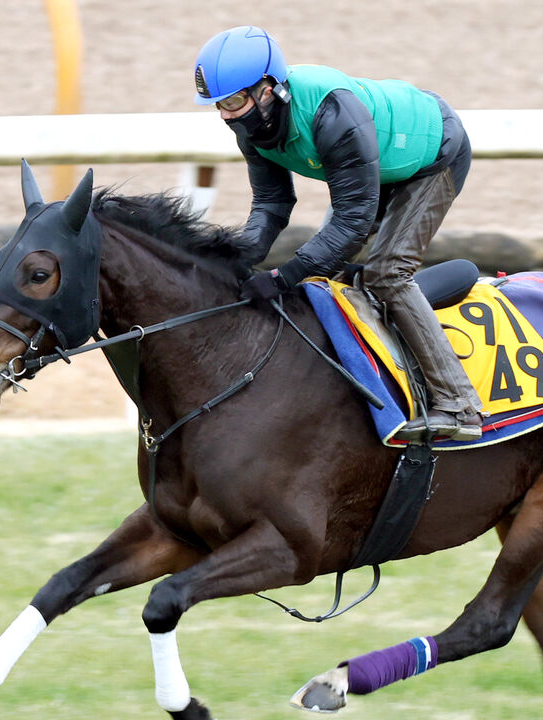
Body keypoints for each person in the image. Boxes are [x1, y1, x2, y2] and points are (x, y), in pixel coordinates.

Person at [193, 25, 483, 441]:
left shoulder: (332, 115)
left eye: (235, 101)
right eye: (219, 105)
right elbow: (272, 205)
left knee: (387, 272)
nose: (227, 115)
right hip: (375, 165)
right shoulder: (250, 127)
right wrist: (238, 258)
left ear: (269, 88)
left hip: (435, 153)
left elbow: (353, 221)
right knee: (329, 277)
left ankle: (460, 405)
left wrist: (282, 277)